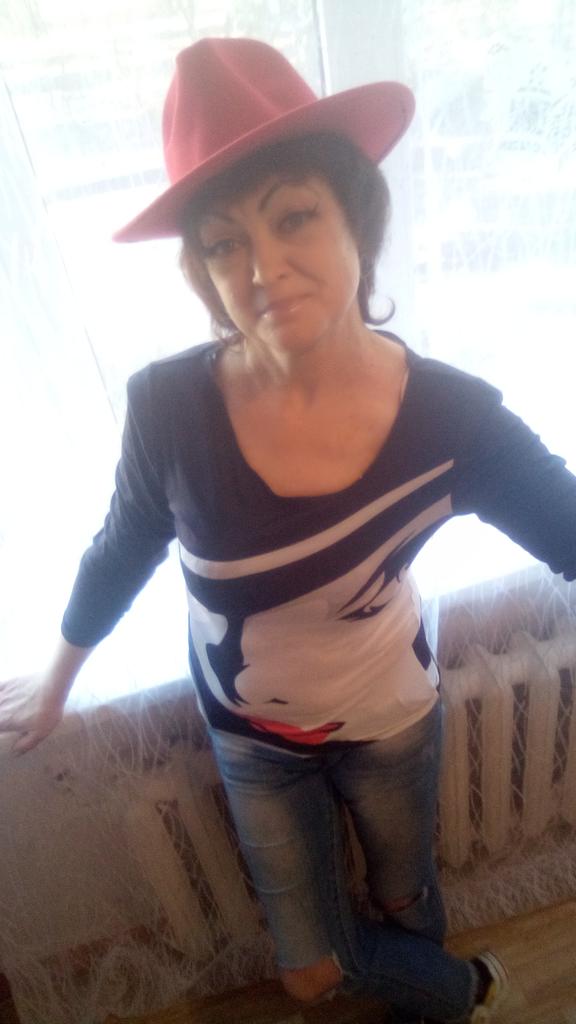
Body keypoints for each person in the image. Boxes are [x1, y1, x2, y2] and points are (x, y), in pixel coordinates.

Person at [1, 36, 575, 1024]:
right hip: (252, 739)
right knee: (311, 970)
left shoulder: (454, 420)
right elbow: (123, 543)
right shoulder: (167, 409)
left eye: (293, 216)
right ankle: (466, 993)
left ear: (354, 212)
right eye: (223, 243)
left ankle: (430, 998)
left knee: (406, 898)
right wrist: (56, 682)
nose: (263, 268)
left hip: (391, 718)